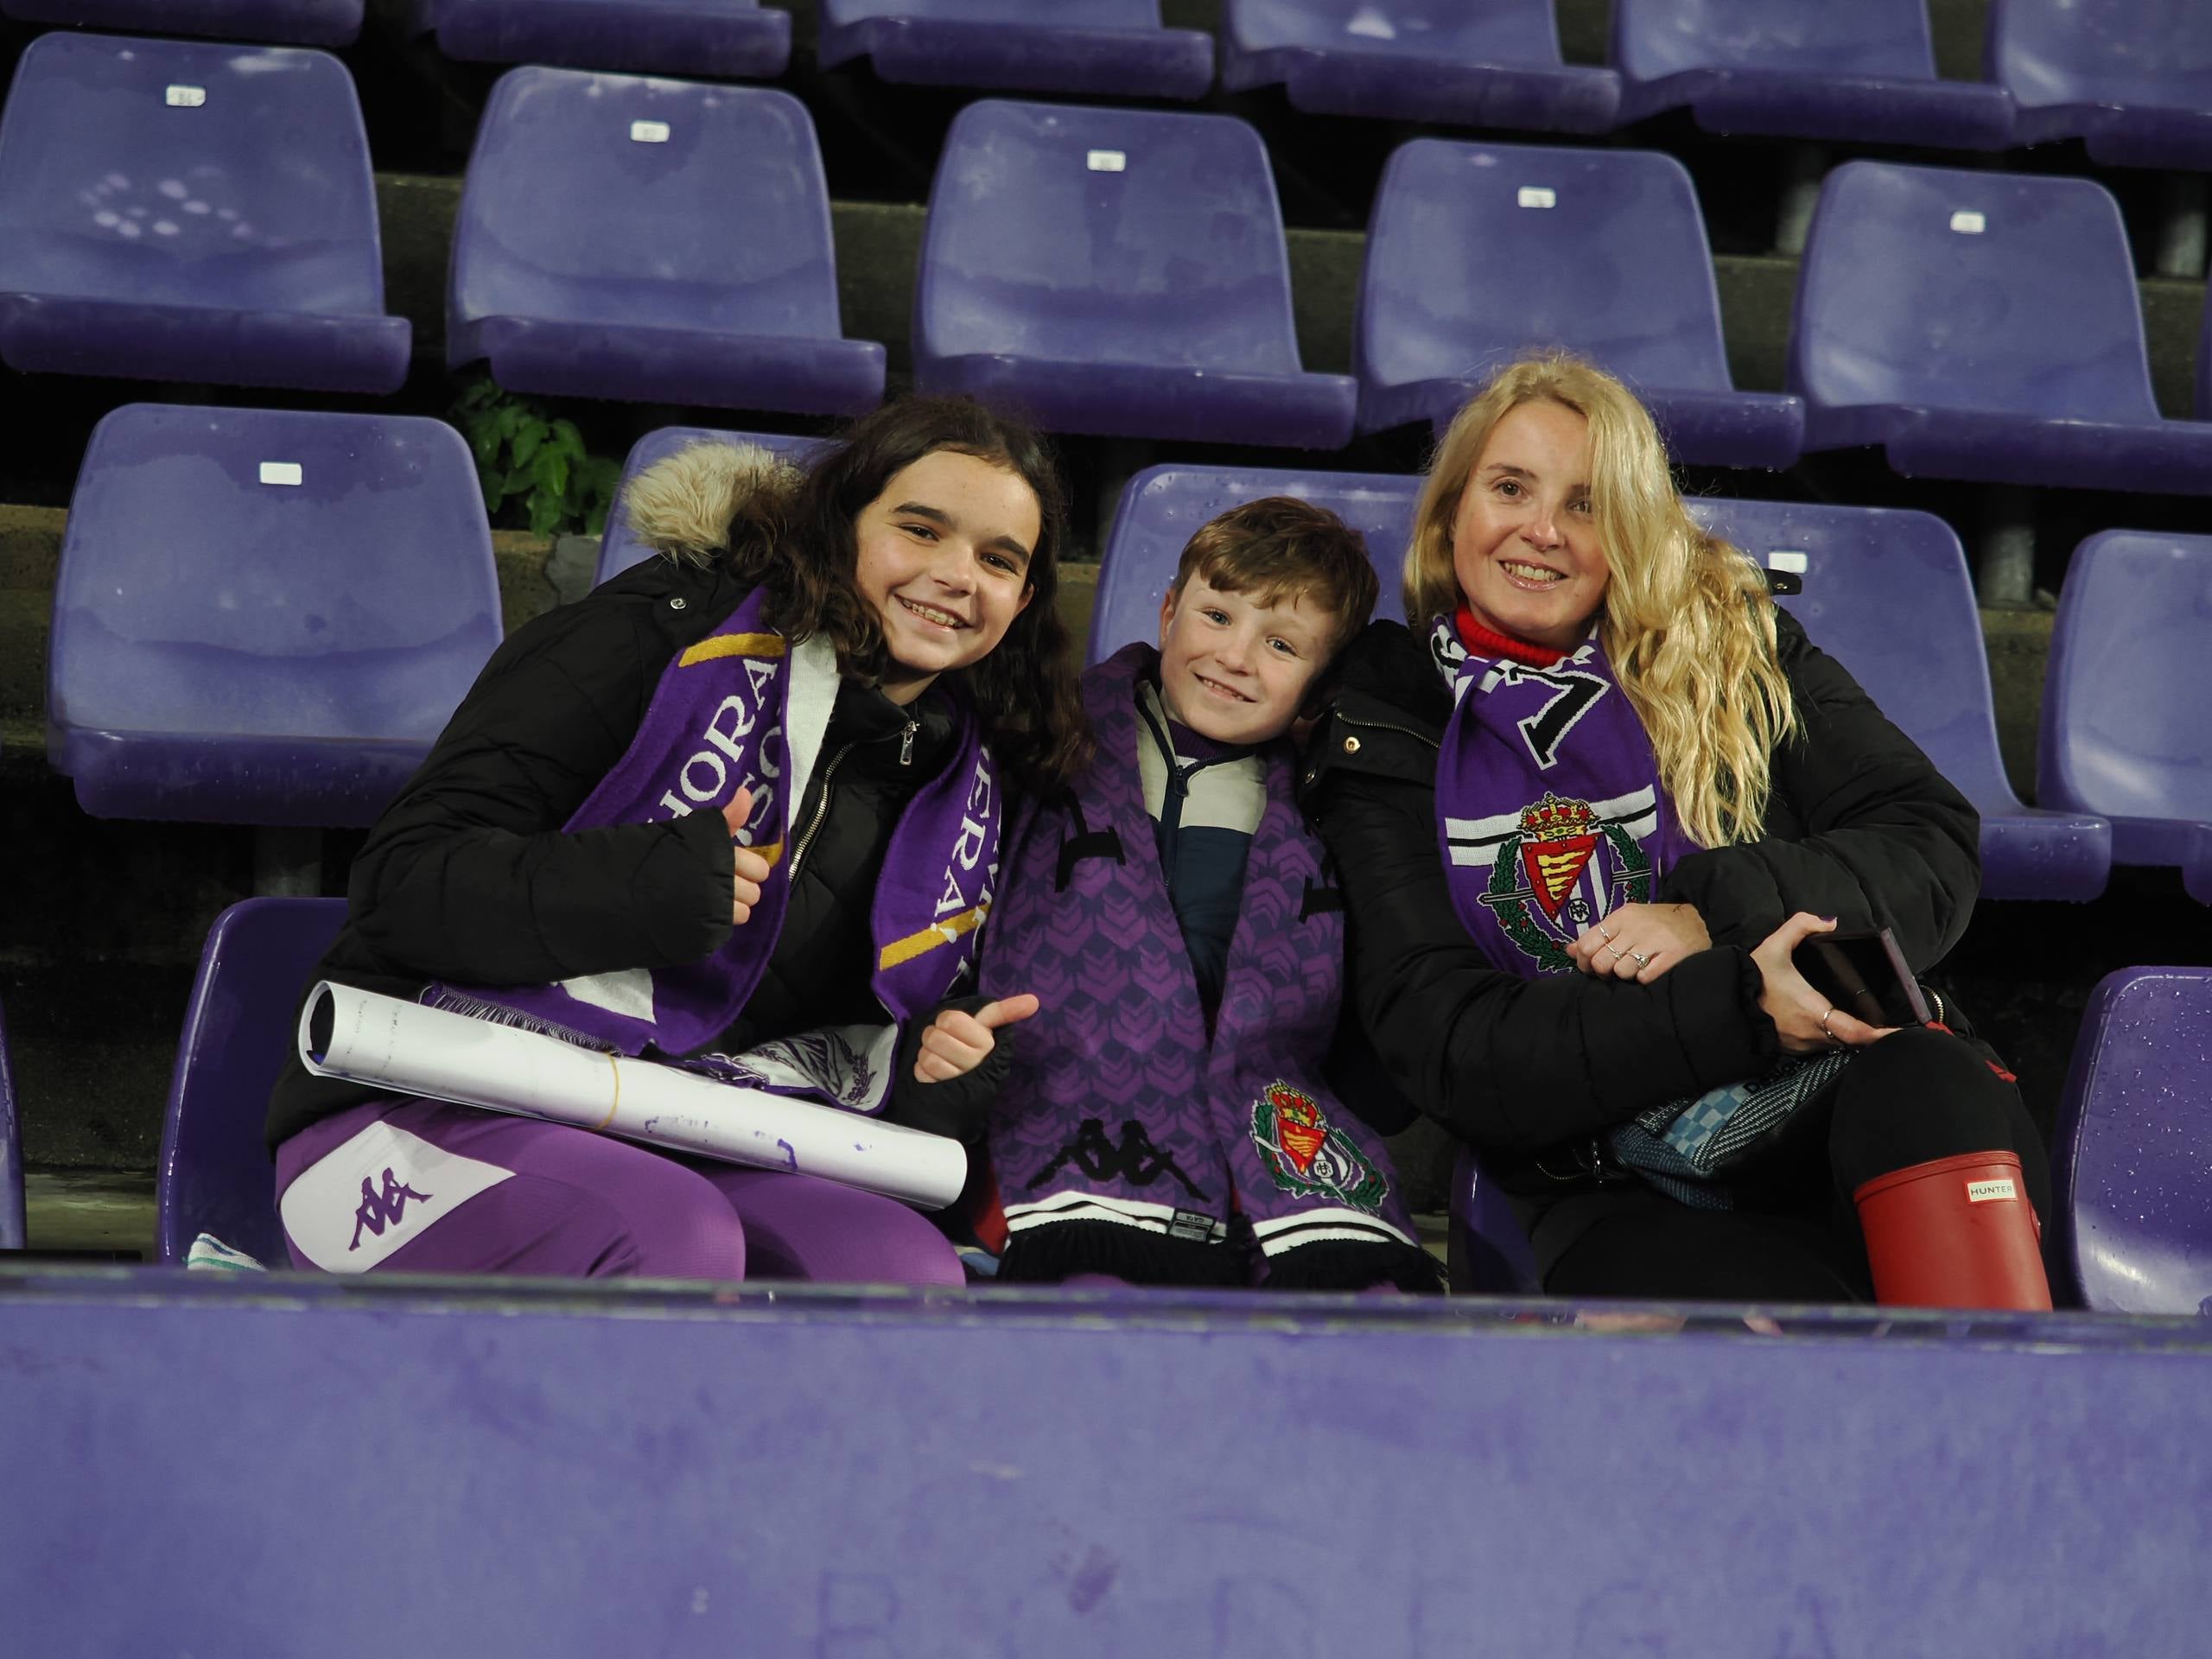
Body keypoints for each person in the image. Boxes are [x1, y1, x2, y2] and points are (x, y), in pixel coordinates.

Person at [265, 397, 1088, 1285]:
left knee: (899, 1271)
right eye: (920, 530)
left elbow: (833, 1058)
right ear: (838, 523)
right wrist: (638, 888)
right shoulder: (654, 633)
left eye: (996, 559)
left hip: (687, 1131)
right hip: (406, 1113)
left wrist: (935, 1068)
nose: (956, 574)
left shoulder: (959, 780)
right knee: (671, 1234)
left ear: (1023, 598)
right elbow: (400, 887)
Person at [1303, 355, 2052, 1306]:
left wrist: (1706, 913)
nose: (1540, 529)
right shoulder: (1390, 716)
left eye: (1585, 503)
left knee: (1935, 1078)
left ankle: (2010, 1432)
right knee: (1771, 1344)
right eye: (1509, 488)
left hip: (1837, 1099)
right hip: (1604, 1175)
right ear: (1453, 511)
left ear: (1629, 531)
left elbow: (1930, 845)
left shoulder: (1734, 643)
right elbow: (1447, 1046)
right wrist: (1741, 1001)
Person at [976, 498, 1439, 1290]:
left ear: (1321, 680)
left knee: (1367, 1304)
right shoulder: (1045, 739)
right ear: (1166, 610)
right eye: (1217, 616)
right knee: (1101, 1303)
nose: (1236, 657)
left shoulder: (1333, 807)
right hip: (1066, 1107)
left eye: (1282, 644)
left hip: (1269, 1127)